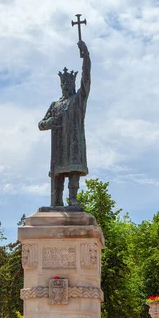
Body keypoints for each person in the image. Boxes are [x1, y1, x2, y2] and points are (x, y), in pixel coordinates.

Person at [38, 40, 91, 207]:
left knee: (73, 170)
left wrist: (86, 58)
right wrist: (50, 122)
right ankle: (57, 202)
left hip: (74, 143)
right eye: (63, 83)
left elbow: (87, 80)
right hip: (60, 148)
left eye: (68, 83)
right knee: (58, 174)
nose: (65, 86)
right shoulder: (55, 105)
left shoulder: (78, 100)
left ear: (73, 84)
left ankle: (73, 200)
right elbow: (41, 124)